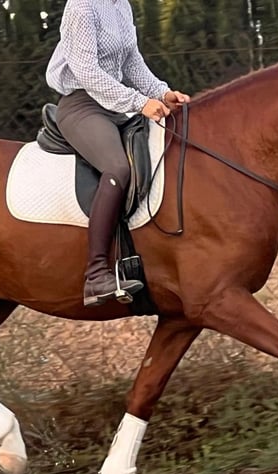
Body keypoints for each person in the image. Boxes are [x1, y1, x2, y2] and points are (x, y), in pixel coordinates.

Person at [46, 0, 190, 307]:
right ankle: (96, 274)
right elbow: (87, 72)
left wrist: (162, 92)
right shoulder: (82, 7)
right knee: (118, 168)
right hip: (82, 105)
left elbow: (131, 62)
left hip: (117, 105)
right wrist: (139, 102)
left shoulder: (121, 5)